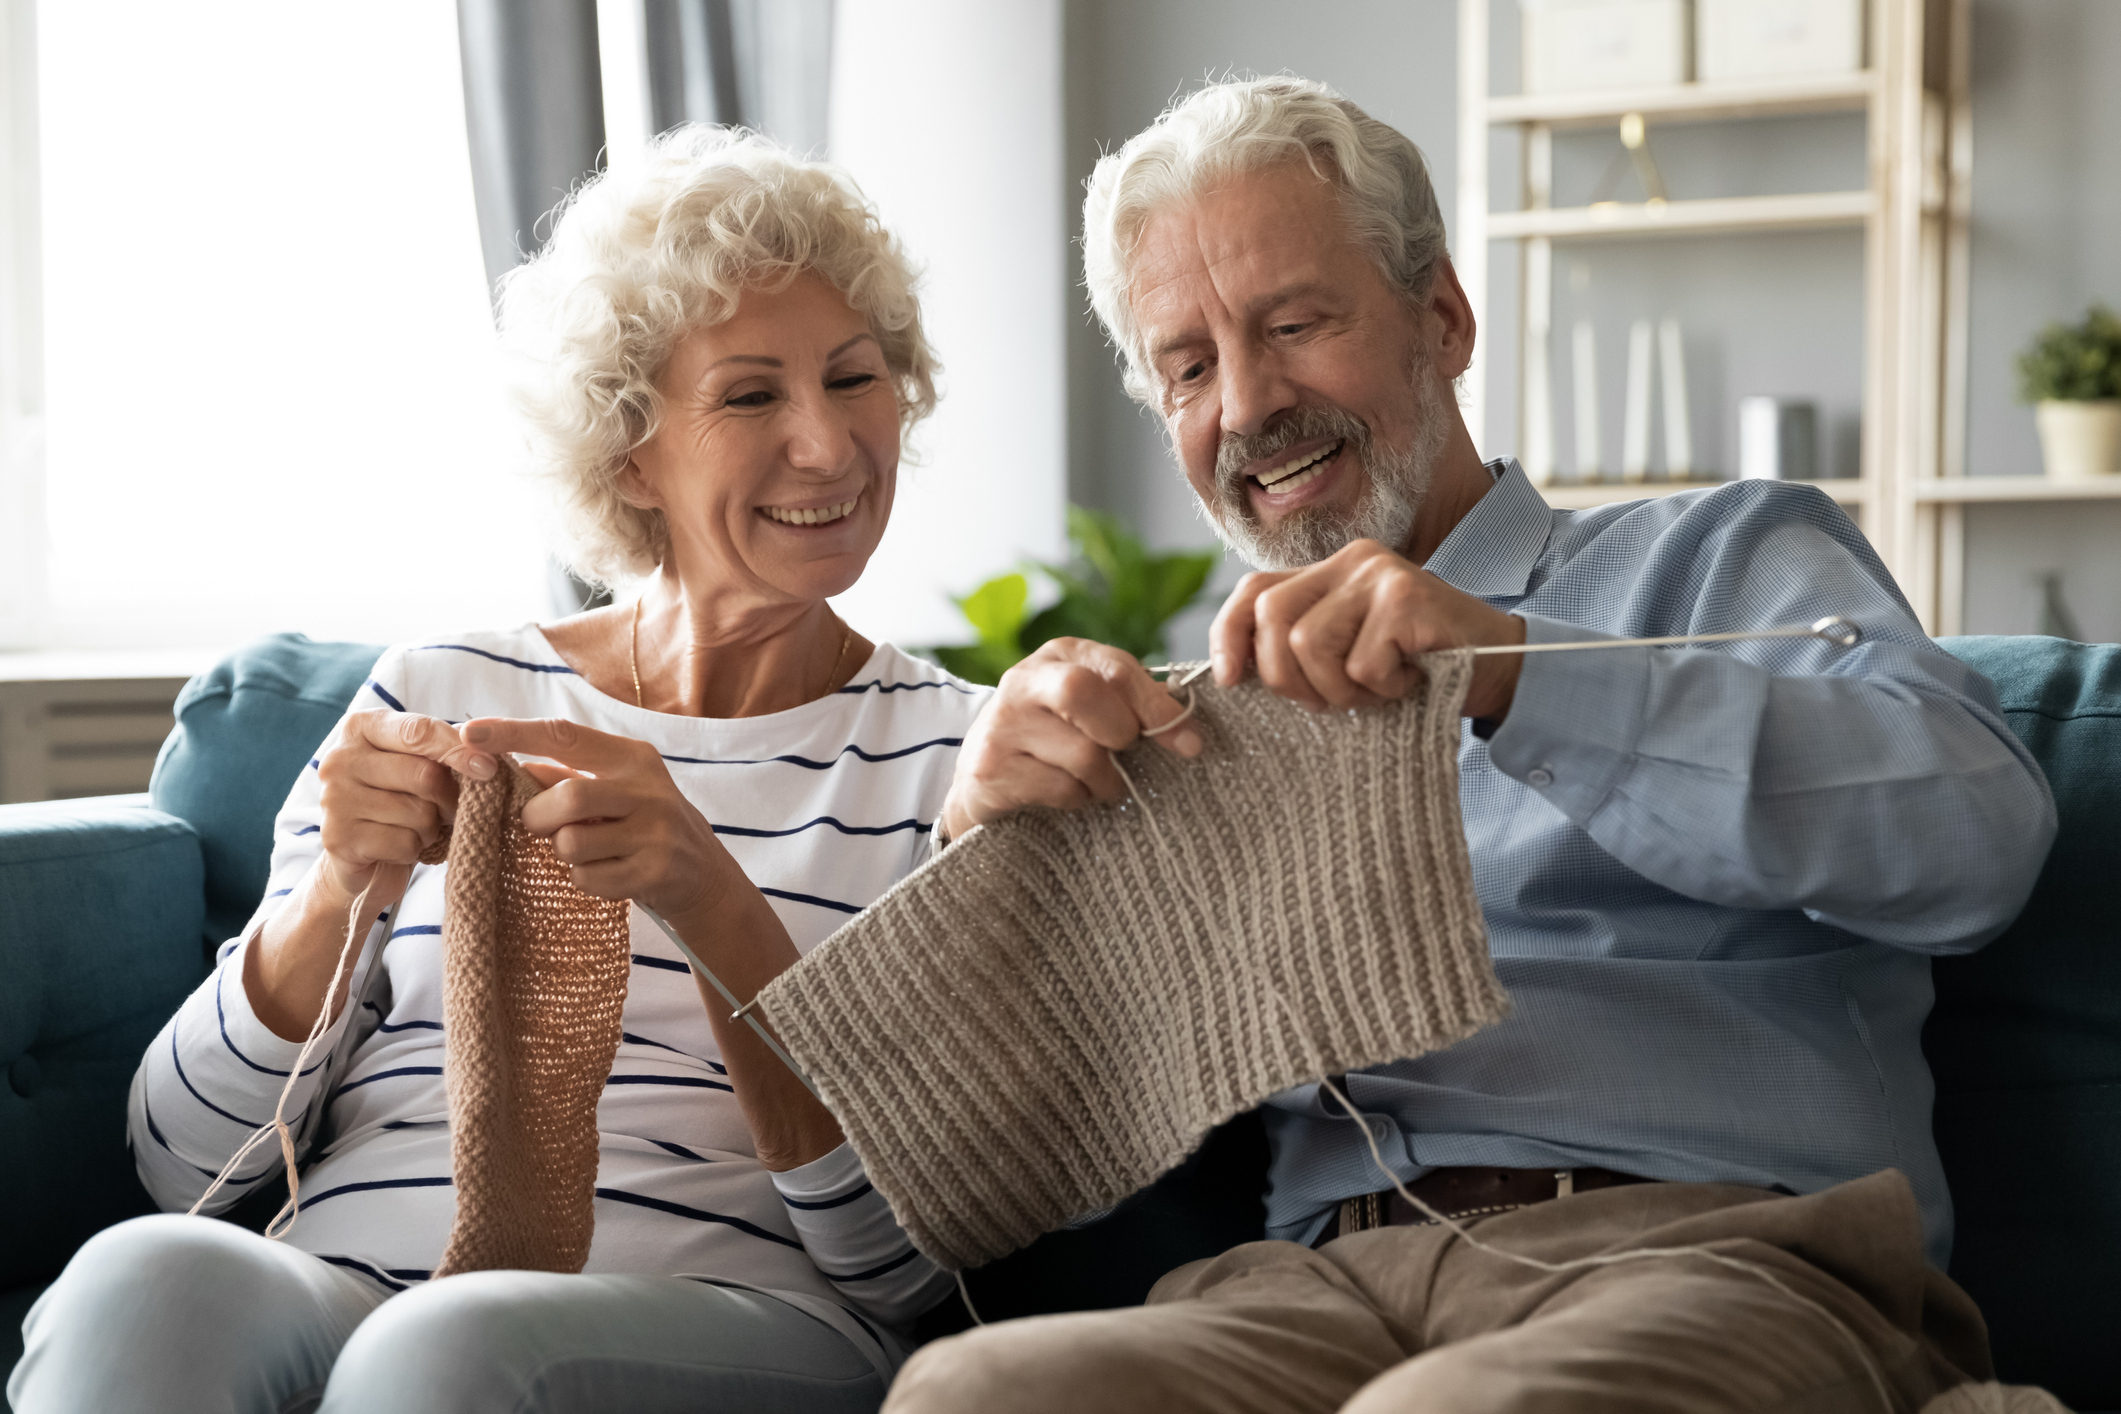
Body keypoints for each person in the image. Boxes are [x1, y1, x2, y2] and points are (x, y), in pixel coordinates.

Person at [891, 78, 2057, 1414]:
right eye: (1191, 365)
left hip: (1713, 1256)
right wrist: (983, 852)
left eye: (1295, 323)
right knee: (970, 1390)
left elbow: (1977, 843)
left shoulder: (1714, 557)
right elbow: (1004, 1155)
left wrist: (1511, 668)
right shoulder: (1189, 723)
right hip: (1315, 1290)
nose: (1252, 402)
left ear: (1440, 318)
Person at [11, 127, 995, 1414]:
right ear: (631, 446)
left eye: (856, 379)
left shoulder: (953, 760)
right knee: (142, 1277)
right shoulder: (438, 689)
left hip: (730, 1310)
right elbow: (176, 1159)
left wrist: (713, 898)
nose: (827, 445)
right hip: (347, 1279)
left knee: (449, 1349)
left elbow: (903, 1256)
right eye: (752, 395)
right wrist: (333, 898)